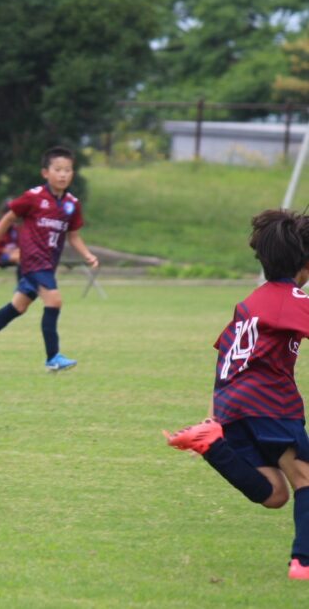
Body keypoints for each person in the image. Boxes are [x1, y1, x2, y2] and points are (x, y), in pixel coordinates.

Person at [163, 209, 309, 581]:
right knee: (306, 478)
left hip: (231, 406)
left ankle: (212, 445)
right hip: (270, 403)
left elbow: (225, 359)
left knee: (274, 494)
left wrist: (215, 419)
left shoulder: (250, 303)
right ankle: (304, 562)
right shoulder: (293, 298)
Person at [0, 146, 98, 371]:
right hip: (33, 261)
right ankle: (53, 358)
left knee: (18, 307)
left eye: (67, 170)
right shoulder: (33, 197)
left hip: (48, 263)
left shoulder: (72, 204)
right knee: (54, 301)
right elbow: (8, 219)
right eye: (58, 169)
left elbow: (73, 235)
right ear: (45, 173)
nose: (63, 174)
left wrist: (87, 255)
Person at [0, 198, 20, 270]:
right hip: (0, 257)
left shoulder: (15, 228)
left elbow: (19, 244)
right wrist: (8, 251)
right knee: (19, 258)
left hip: (14, 253)